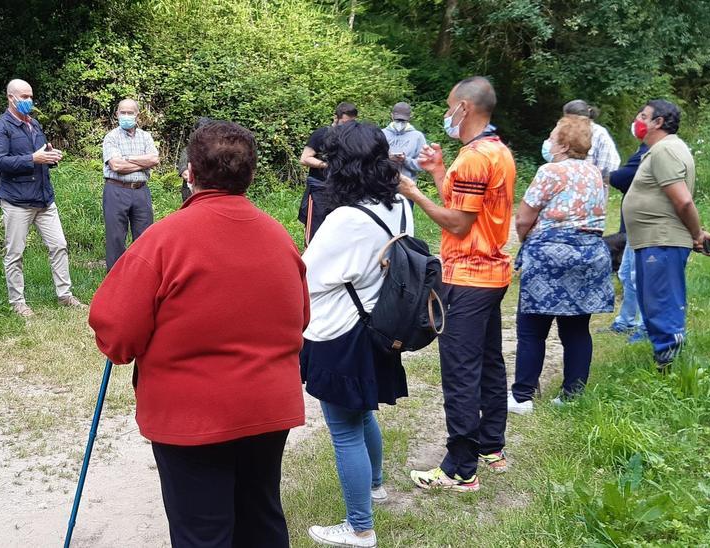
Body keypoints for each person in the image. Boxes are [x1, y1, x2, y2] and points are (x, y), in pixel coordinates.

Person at [89, 121, 309, 547]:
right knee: (261, 520)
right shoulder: (280, 237)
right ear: (251, 175)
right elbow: (300, 317)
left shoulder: (162, 240)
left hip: (192, 418)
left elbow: (116, 335)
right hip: (267, 409)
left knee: (202, 533)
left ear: (190, 172)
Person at [399, 76, 515, 492]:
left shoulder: (473, 158)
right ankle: (491, 446)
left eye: (450, 106)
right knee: (488, 361)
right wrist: (436, 171)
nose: (448, 114)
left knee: (461, 370)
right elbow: (467, 203)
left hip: (466, 277)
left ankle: (460, 469)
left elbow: (458, 222)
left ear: (465, 108)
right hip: (493, 275)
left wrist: (414, 193)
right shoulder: (495, 151)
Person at [301, 121, 414, 548]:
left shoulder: (347, 218)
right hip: (377, 325)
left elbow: (306, 277)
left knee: (344, 428)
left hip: (341, 332)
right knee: (362, 413)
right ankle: (376, 486)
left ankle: (359, 526)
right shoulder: (399, 205)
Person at [507, 115, 614, 415]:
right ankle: (572, 394)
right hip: (589, 255)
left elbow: (524, 217)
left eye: (552, 137)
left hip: (550, 258)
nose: (549, 142)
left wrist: (529, 241)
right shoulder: (594, 173)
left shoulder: (550, 171)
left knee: (532, 329)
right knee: (577, 329)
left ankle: (523, 396)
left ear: (564, 144)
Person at [623, 99, 710, 370]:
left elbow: (683, 201)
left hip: (661, 240)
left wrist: (696, 233)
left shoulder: (665, 150)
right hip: (653, 240)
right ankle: (666, 362)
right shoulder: (663, 150)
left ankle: (672, 366)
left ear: (658, 122)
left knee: (662, 303)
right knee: (653, 304)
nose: (637, 120)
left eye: (643, 115)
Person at [0, 79, 86, 317]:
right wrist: (33, 159)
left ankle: (65, 295)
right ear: (11, 98)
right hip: (17, 200)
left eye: (30, 97)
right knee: (15, 252)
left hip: (44, 198)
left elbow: (40, 156)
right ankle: (17, 301)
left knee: (59, 245)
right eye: (24, 97)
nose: (29, 101)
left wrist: (50, 157)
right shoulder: (0, 127)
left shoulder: (35, 124)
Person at [101, 98, 160, 269]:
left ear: (137, 115)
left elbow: (154, 159)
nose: (126, 116)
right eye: (123, 112)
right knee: (116, 237)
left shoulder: (145, 137)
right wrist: (143, 163)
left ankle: (141, 274)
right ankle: (115, 278)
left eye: (130, 113)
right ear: (117, 114)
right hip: (116, 190)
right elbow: (116, 165)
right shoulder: (111, 137)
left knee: (145, 237)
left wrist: (128, 158)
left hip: (141, 191)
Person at [608, 125, 652, 342]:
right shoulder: (643, 151)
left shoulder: (647, 153)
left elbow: (620, 178)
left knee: (637, 277)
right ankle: (626, 321)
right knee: (626, 274)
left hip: (642, 228)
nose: (637, 122)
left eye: (643, 117)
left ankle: (644, 327)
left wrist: (609, 175)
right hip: (632, 228)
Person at [299, 102, 358, 242]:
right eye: (344, 122)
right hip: (320, 188)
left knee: (340, 231)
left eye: (351, 123)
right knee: (315, 229)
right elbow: (304, 158)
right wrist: (327, 165)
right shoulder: (321, 134)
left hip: (343, 189)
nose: (347, 126)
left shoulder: (353, 137)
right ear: (335, 118)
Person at [541, 100, 621, 180]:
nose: (567, 122)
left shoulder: (599, 133)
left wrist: (591, 178)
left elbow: (610, 166)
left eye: (570, 119)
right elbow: (551, 152)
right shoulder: (563, 129)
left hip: (591, 185)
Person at [382, 102, 427, 181]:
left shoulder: (417, 136)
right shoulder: (382, 134)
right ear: (392, 116)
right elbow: (372, 161)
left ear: (410, 117)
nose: (400, 123)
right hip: (383, 183)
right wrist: (387, 159)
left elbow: (423, 164)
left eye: (403, 120)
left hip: (407, 185)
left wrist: (405, 160)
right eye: (397, 120)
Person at [176, 117, 211, 203]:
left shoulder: (216, 151)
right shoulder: (188, 150)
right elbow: (184, 171)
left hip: (211, 193)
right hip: (190, 192)